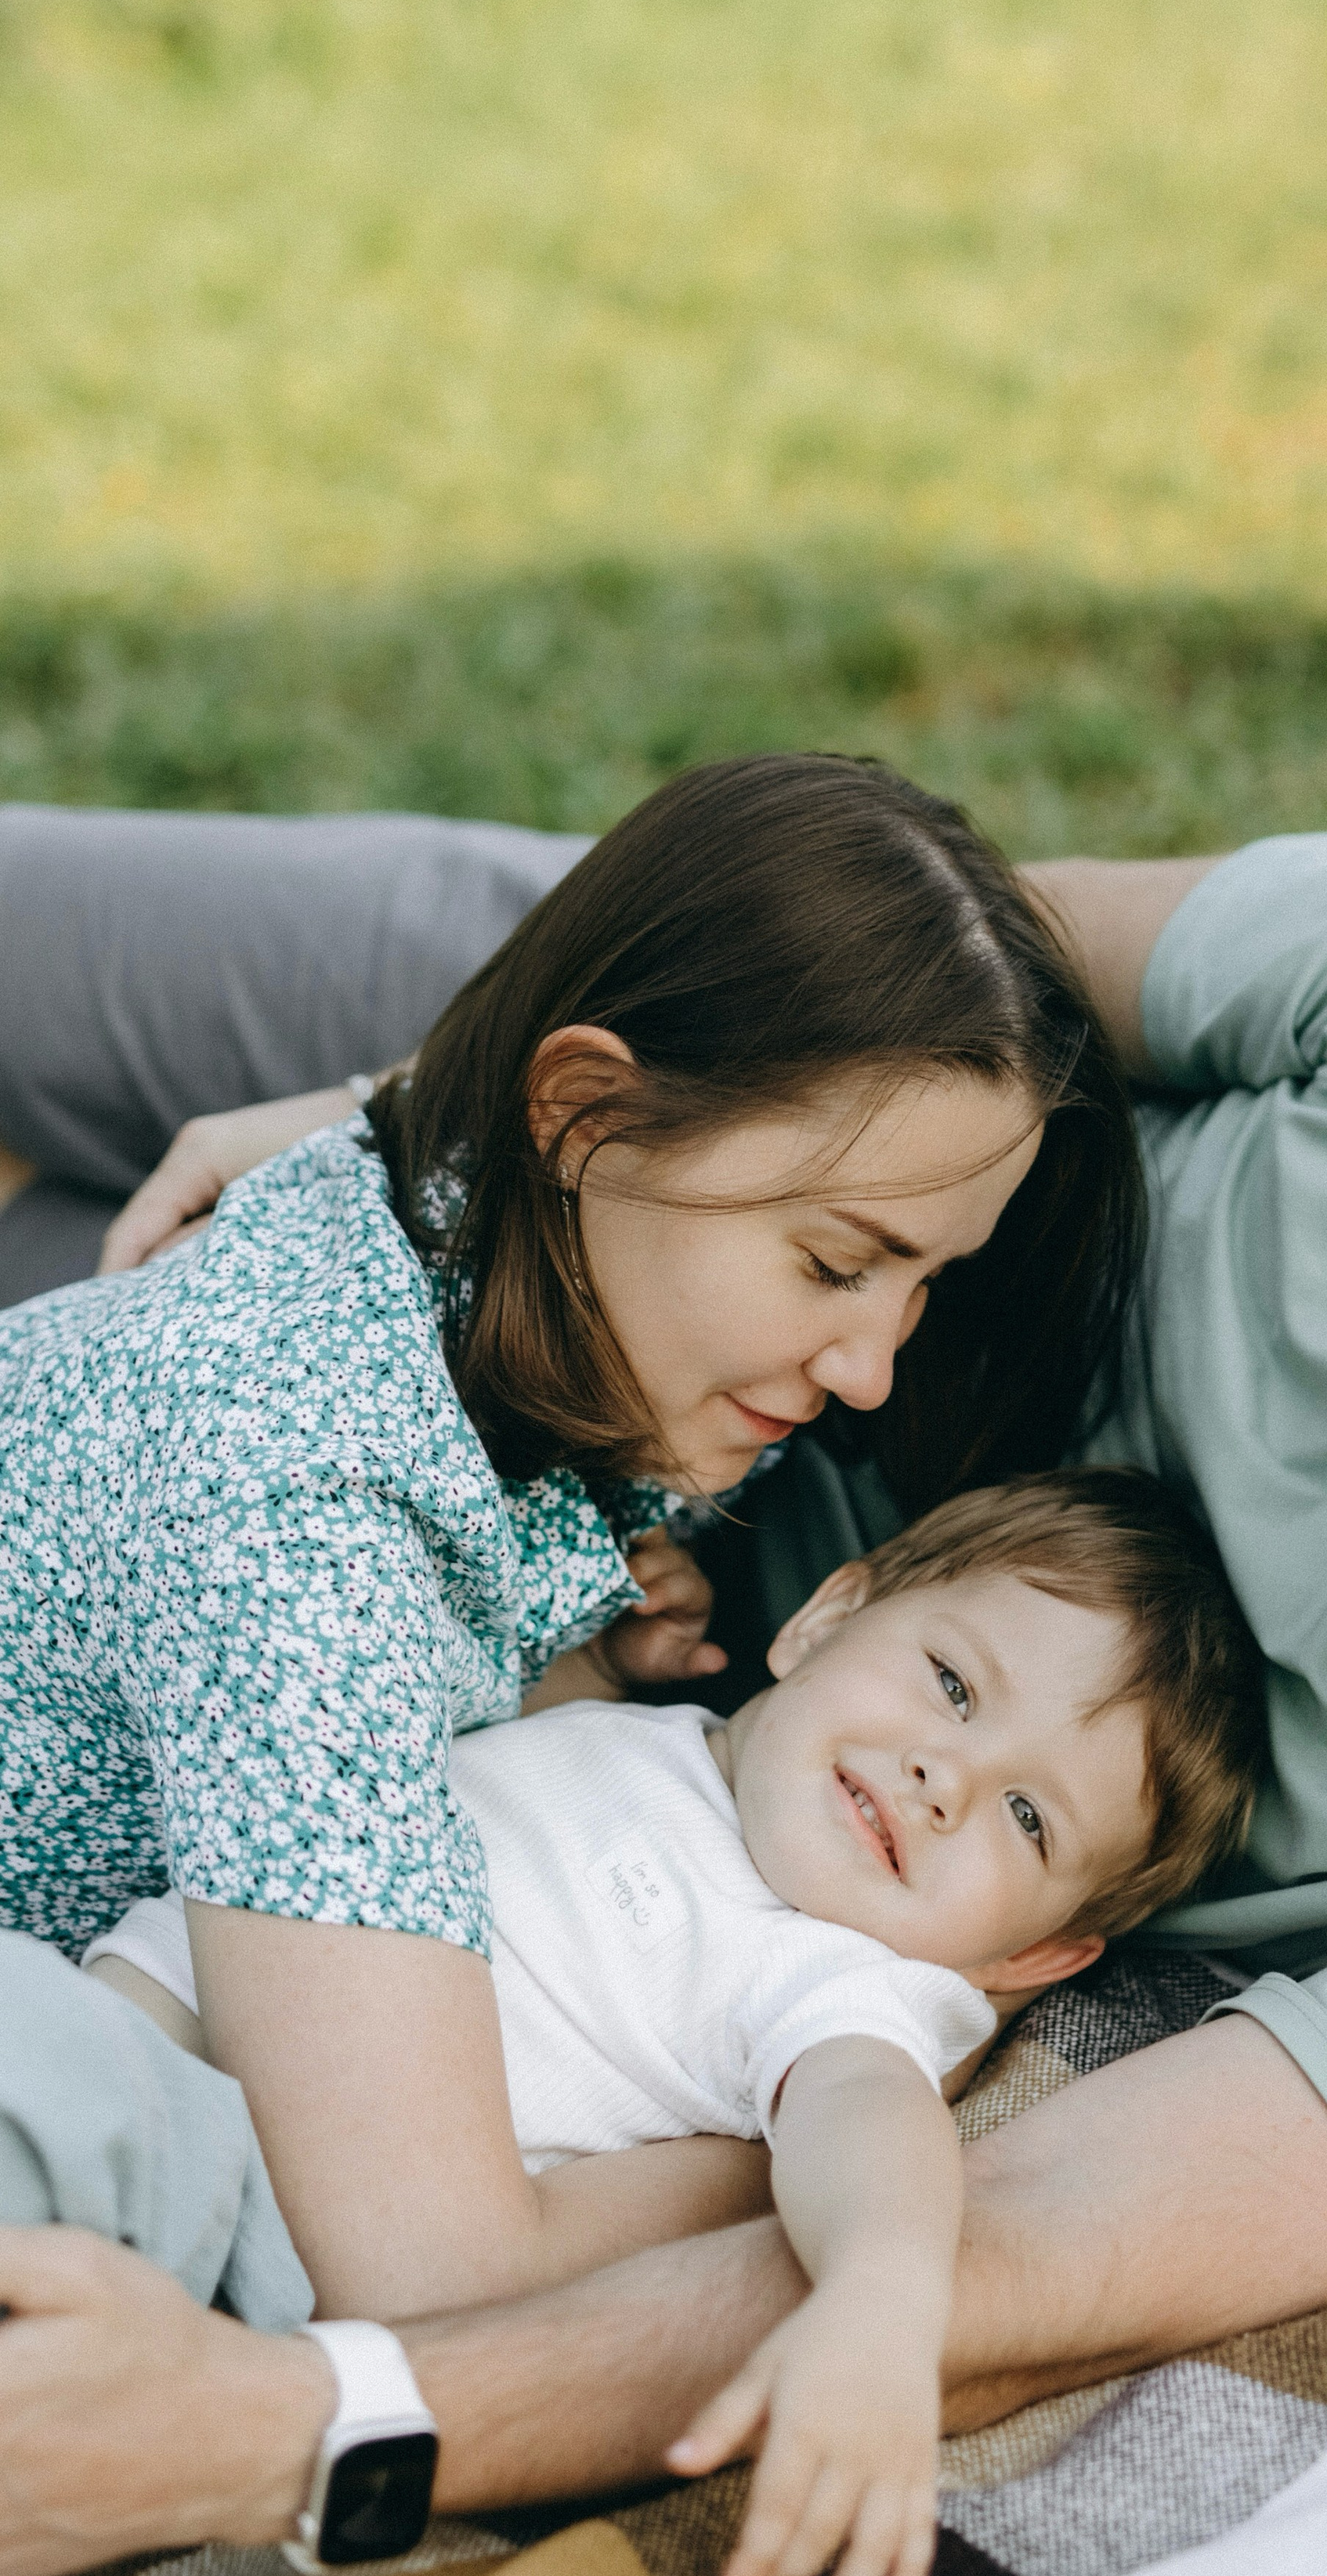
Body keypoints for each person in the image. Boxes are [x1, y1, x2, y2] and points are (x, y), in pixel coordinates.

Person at [9, 813, 1327, 2576]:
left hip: (598, 1546)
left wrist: (310, 2428)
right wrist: (437, 1121)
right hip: (749, 1166)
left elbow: (1026, 2253)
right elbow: (986, 980)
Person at [0, 757, 1141, 2329]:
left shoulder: (512, 1252)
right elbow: (426, 2267)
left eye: (922, 1283)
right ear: (587, 1115)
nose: (874, 1367)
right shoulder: (290, 1502)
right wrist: (810, 2116)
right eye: (831, 1263)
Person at [83, 1469, 1264, 2576]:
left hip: (206, 2151)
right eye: (952, 1684)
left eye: (1028, 1818)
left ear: (1035, 1957)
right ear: (824, 1619)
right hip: (138, 2014)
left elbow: (870, 2119)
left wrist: (887, 2296)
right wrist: (589, 1669)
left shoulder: (839, 1976)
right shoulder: (668, 1740)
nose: (944, 1778)